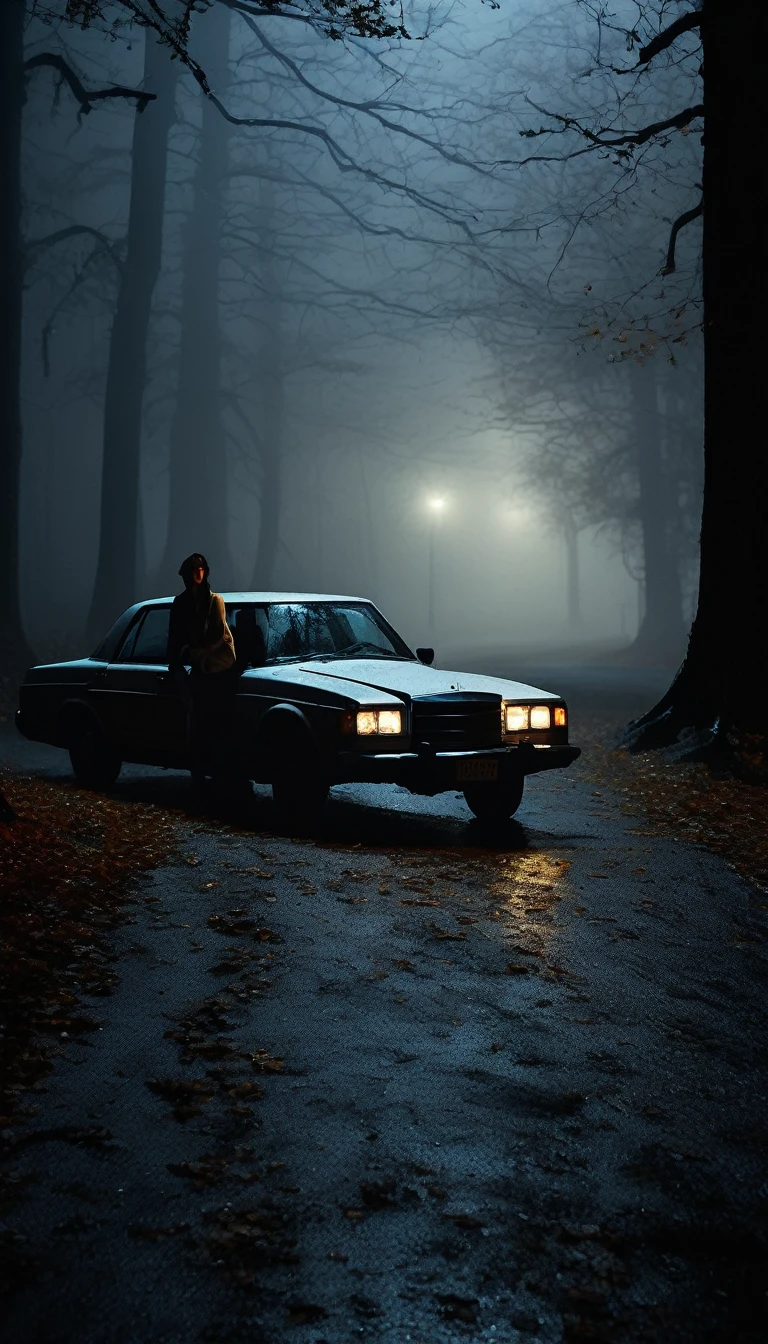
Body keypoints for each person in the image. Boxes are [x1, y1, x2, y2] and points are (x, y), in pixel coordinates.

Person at [167, 554, 236, 792]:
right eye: (194, 570)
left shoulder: (215, 601)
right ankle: (198, 773)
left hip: (216, 671)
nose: (198, 573)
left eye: (201, 569)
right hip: (192, 670)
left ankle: (216, 773)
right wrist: (180, 660)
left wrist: (201, 653)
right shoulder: (180, 603)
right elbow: (174, 638)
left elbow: (219, 635)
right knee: (194, 724)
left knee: (214, 724)